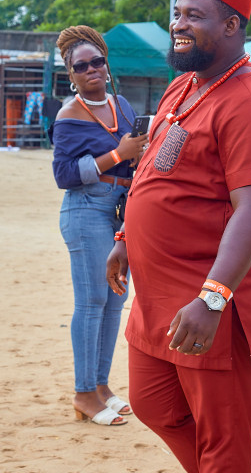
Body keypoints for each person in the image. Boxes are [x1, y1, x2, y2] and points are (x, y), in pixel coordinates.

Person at [106, 0, 251, 472]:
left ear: (231, 25)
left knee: (223, 439)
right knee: (152, 403)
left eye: (194, 15)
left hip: (213, 301)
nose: (178, 24)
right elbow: (151, 167)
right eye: (176, 13)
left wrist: (213, 298)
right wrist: (126, 234)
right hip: (157, 296)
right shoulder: (182, 87)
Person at [50, 25, 148, 426]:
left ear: (107, 66)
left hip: (120, 211)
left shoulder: (122, 105)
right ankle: (83, 393)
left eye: (97, 62)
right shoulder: (69, 116)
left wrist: (136, 152)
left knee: (114, 302)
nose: (91, 69)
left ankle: (101, 386)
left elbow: (133, 154)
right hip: (86, 209)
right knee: (91, 303)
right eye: (81, 66)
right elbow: (65, 175)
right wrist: (117, 154)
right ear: (70, 75)